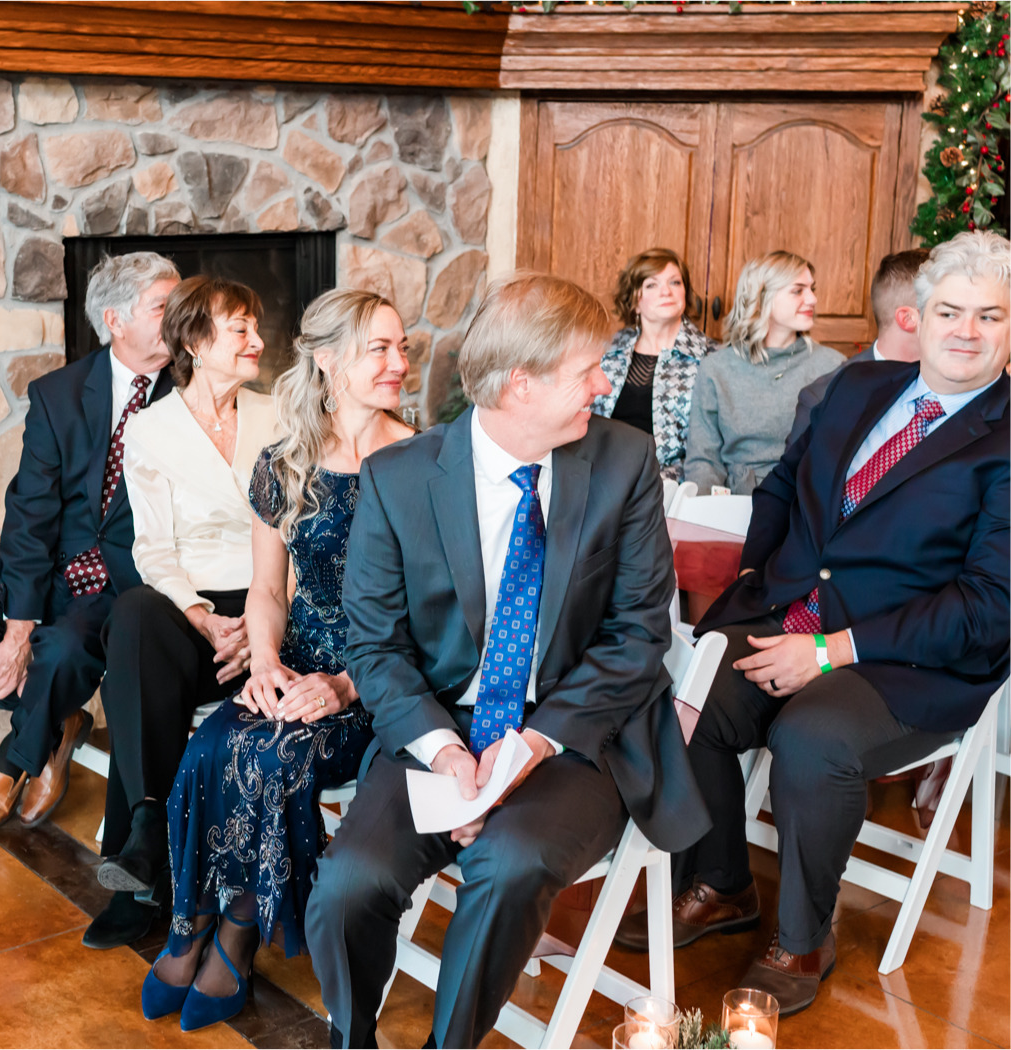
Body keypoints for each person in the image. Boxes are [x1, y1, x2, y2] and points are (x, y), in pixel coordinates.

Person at [306, 273, 710, 1049]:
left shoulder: (622, 461)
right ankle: (352, 1037)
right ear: (519, 384)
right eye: (589, 368)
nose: (605, 383)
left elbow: (636, 637)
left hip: (575, 732)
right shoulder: (400, 479)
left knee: (511, 862)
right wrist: (443, 748)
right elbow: (376, 646)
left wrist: (532, 743)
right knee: (347, 888)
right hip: (439, 724)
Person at [617, 230, 1008, 1017]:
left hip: (908, 661)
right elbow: (783, 488)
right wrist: (760, 577)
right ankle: (725, 881)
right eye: (951, 311)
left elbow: (990, 603)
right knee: (679, 697)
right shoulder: (858, 384)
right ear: (917, 316)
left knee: (811, 737)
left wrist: (832, 651)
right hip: (788, 611)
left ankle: (803, 935)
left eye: (992, 316)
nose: (967, 330)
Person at [143, 290, 414, 1032]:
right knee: (209, 750)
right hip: (295, 659)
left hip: (379, 676)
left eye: (401, 346)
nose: (401, 363)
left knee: (273, 760)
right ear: (327, 361)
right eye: (380, 349)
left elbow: (436, 617)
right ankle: (191, 918)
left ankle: (235, 934)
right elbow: (267, 587)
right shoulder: (285, 460)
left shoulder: (421, 461)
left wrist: (343, 684)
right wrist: (264, 663)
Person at [0, 252, 179, 838]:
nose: (180, 317)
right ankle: (55, 720)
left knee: (68, 648)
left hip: (126, 579)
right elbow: (30, 513)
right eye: (164, 307)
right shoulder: (59, 394)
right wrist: (18, 625)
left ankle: (14, 759)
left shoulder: (189, 394)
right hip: (52, 559)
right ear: (116, 319)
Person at [87, 275, 281, 951]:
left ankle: (142, 859)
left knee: (136, 684)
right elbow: (153, 550)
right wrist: (203, 619)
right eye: (241, 330)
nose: (258, 340)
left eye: (256, 327)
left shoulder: (278, 414)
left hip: (270, 604)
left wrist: (263, 633)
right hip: (191, 616)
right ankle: (147, 829)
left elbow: (299, 530)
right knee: (137, 617)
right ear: (197, 342)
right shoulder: (150, 431)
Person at [683, 252, 844, 494]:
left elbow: (840, 455)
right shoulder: (716, 368)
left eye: (812, 289)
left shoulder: (833, 365)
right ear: (761, 299)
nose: (812, 299)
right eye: (798, 290)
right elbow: (703, 460)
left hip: (802, 503)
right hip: (733, 503)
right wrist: (707, 520)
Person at [592, 247, 715, 478]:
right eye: (652, 285)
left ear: (685, 294)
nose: (666, 292)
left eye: (675, 283)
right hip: (602, 474)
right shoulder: (607, 351)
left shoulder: (711, 356)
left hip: (670, 486)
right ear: (634, 302)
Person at [787, 248, 930, 445]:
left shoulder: (958, 387)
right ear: (907, 319)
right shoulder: (822, 398)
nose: (962, 328)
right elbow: (796, 475)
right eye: (946, 311)